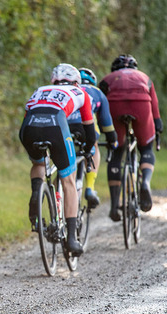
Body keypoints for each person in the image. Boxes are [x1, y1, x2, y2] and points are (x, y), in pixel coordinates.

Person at [19, 63, 97, 256]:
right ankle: (71, 239)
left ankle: (36, 193)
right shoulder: (81, 93)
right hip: (56, 124)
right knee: (68, 180)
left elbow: (27, 114)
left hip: (28, 127)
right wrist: (87, 150)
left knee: (38, 162)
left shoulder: (41, 90)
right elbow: (90, 131)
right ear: (77, 82)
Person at [99, 54, 163, 220]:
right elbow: (154, 107)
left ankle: (114, 206)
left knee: (117, 152)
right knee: (146, 147)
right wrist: (157, 125)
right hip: (141, 105)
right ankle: (145, 183)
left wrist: (103, 129)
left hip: (115, 106)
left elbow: (99, 104)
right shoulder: (145, 77)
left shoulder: (108, 79)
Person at [67, 67, 118, 209]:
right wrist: (112, 141)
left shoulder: (68, 89)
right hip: (84, 127)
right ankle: (89, 187)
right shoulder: (97, 92)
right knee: (93, 145)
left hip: (64, 126)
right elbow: (107, 124)